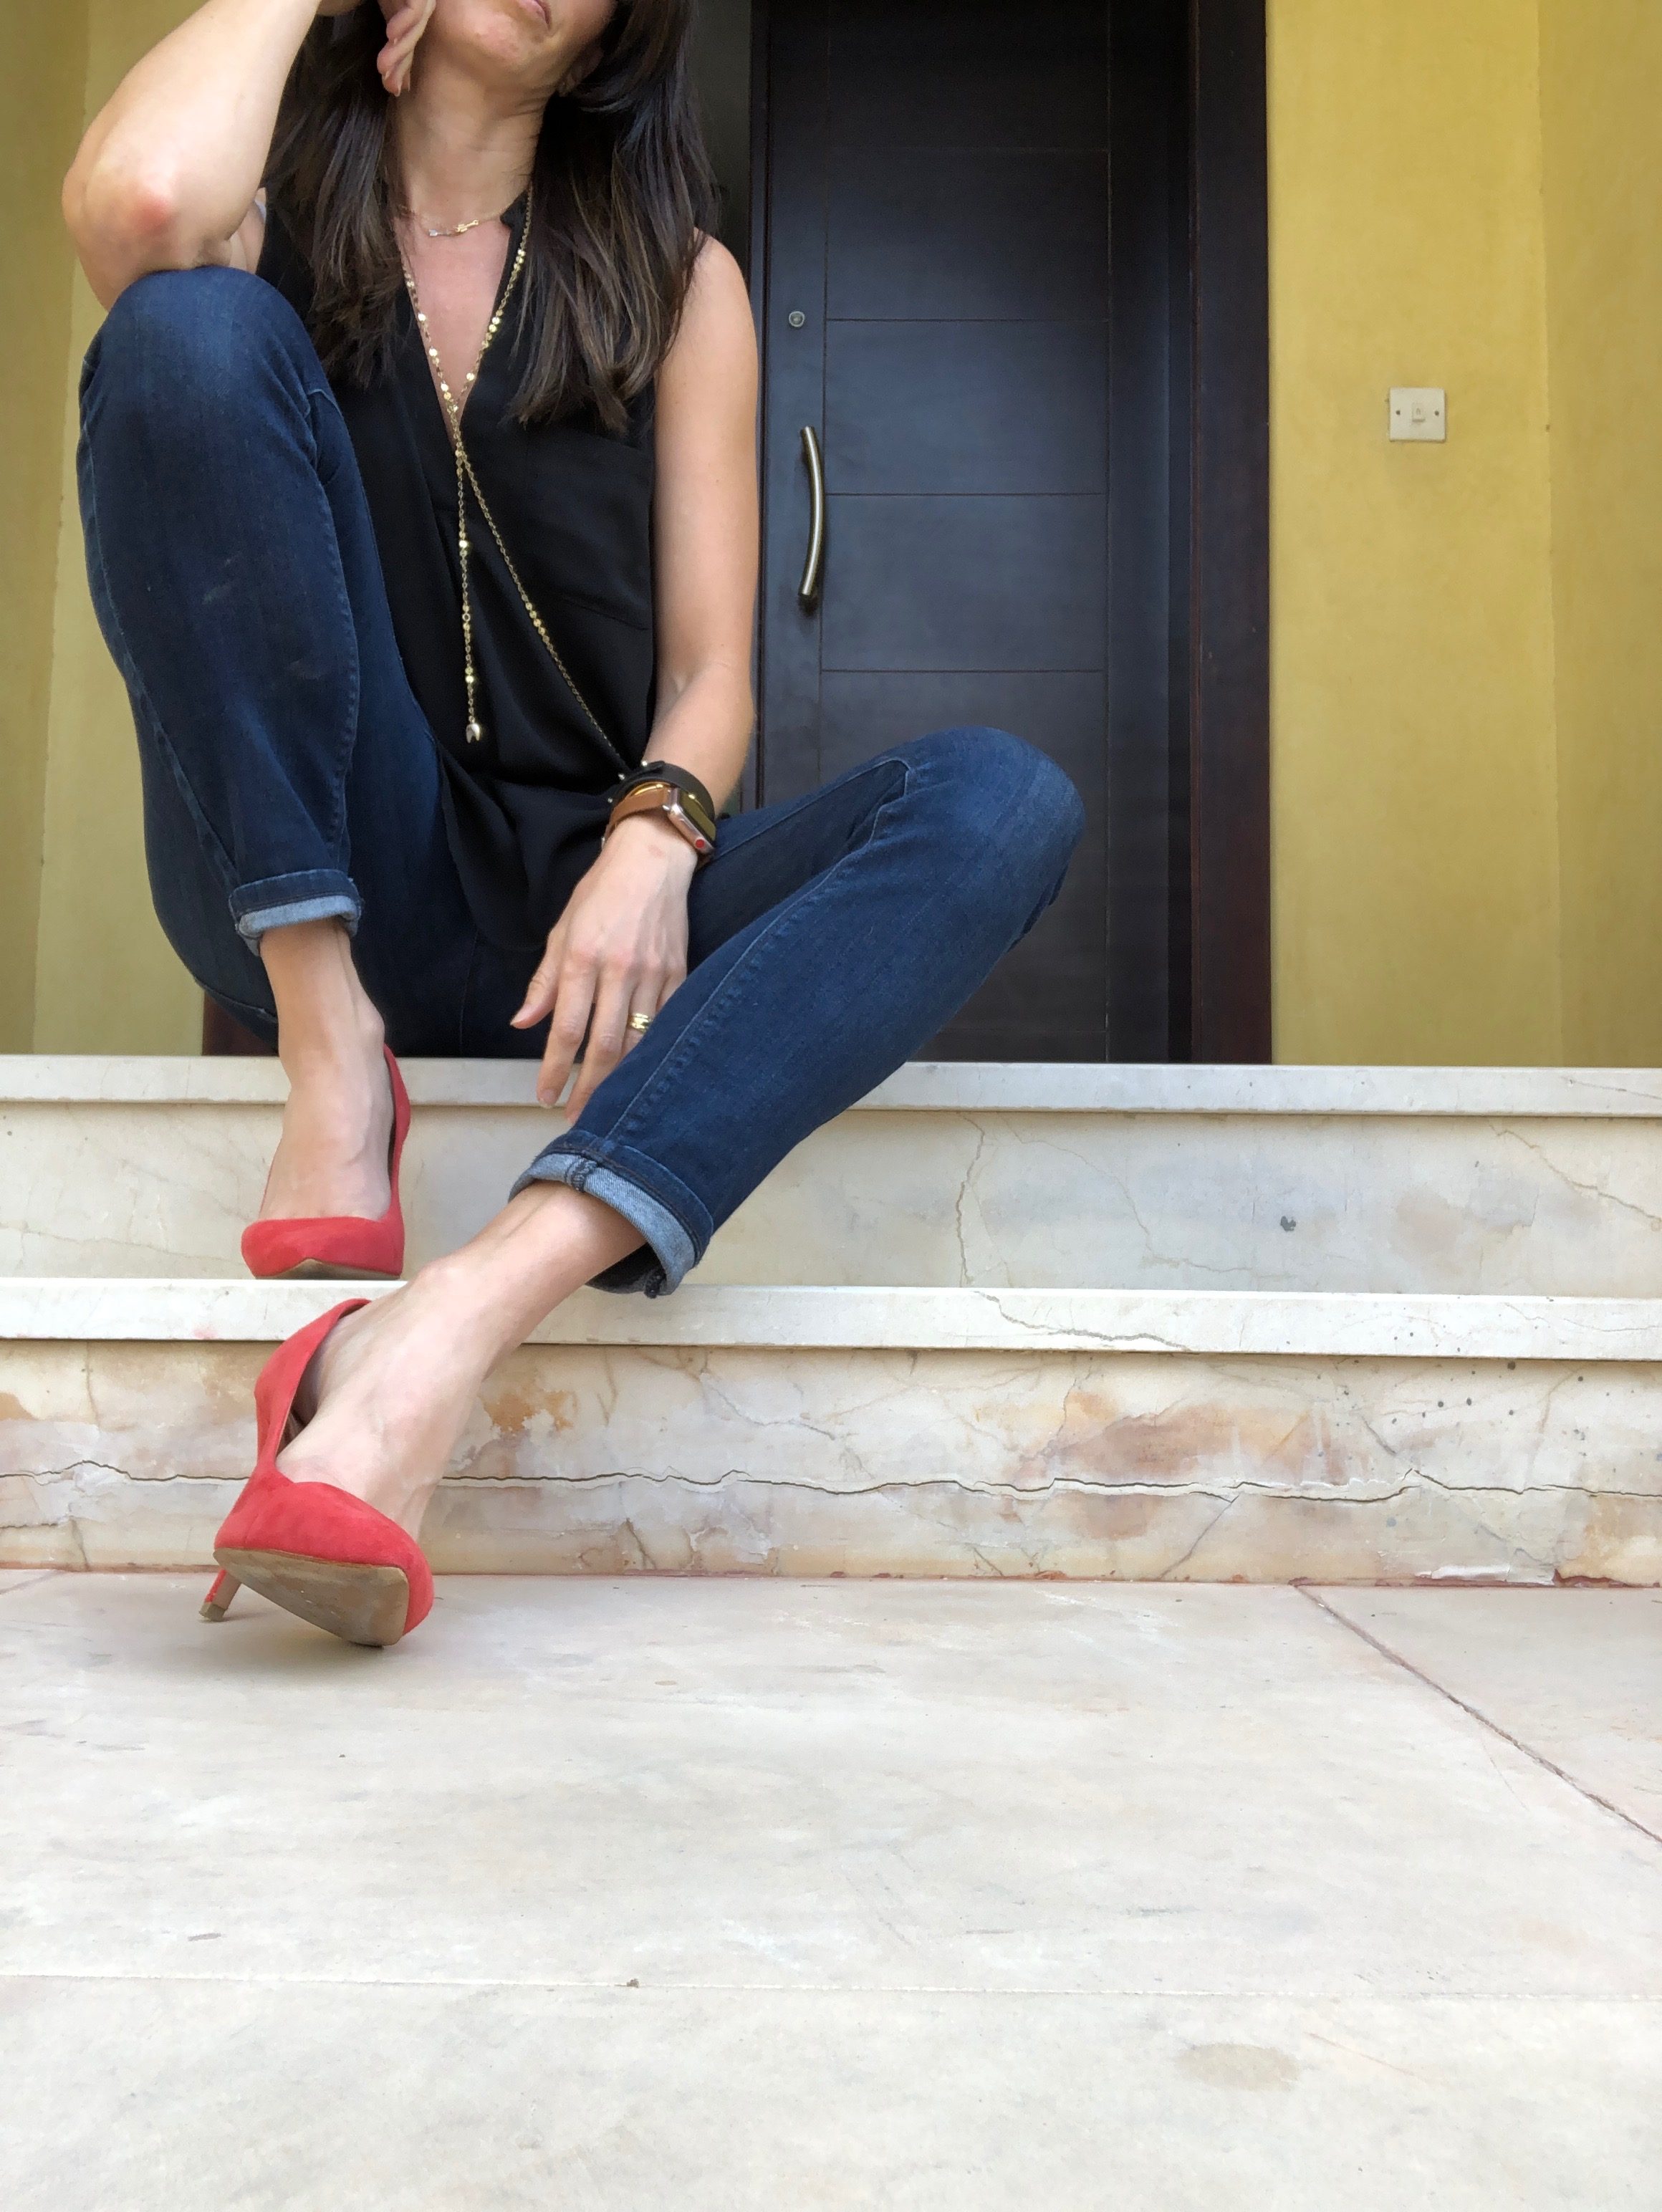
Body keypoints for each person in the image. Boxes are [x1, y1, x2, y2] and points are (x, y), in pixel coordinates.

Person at [64, 0, 1084, 1647]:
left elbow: (710, 676)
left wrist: (653, 840)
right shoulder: (268, 220)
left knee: (997, 800)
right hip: (335, 871)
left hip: (592, 927)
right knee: (178, 331)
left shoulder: (680, 285)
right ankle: (339, 1063)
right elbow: (131, 210)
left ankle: (446, 1323)